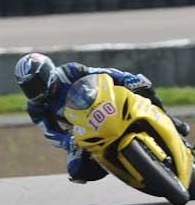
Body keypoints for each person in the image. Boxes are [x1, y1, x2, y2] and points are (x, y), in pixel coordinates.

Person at [14, 52, 190, 184]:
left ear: (47, 72)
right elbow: (49, 133)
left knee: (142, 86)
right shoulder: (36, 107)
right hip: (82, 132)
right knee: (77, 172)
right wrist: (67, 141)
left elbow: (102, 73)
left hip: (104, 106)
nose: (34, 91)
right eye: (28, 88)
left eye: (36, 83)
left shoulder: (70, 71)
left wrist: (126, 78)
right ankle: (122, 166)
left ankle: (169, 119)